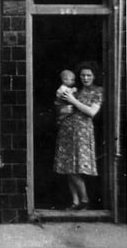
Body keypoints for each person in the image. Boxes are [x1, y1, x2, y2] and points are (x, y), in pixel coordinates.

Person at [53, 63, 103, 210]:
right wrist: (63, 109)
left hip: (82, 132)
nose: (85, 78)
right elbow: (60, 107)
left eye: (89, 75)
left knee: (76, 169)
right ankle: (75, 202)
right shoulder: (74, 89)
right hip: (67, 130)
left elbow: (92, 112)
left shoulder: (98, 91)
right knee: (68, 168)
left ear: (94, 76)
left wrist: (73, 101)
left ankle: (85, 199)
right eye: (82, 75)